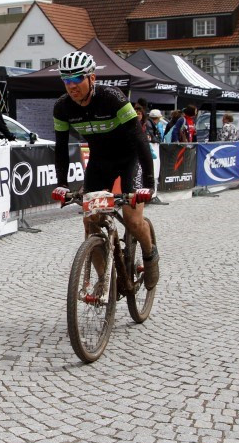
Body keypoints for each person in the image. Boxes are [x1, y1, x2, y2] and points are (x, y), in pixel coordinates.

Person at [50, 51, 158, 290]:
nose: (71, 85)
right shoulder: (62, 107)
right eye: (66, 80)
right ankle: (103, 282)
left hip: (130, 158)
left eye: (77, 78)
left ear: (92, 78)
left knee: (132, 220)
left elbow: (140, 139)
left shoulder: (112, 98)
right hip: (100, 162)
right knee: (91, 222)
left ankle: (150, 255)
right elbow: (60, 147)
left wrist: (149, 184)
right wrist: (62, 184)